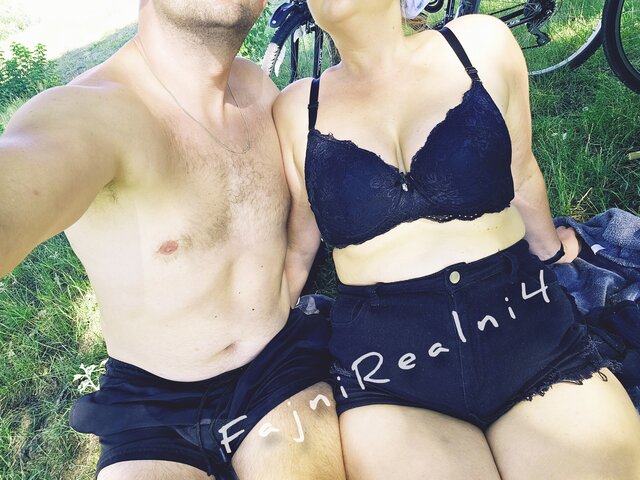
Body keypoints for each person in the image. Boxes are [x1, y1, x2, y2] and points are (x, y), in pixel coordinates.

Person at [273, 1, 640, 478]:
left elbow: (522, 171)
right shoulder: (296, 109)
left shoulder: (479, 45)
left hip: (529, 333)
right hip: (391, 371)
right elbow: (299, 249)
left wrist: (552, 248)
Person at [0, 1, 346, 479]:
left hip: (279, 367)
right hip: (151, 404)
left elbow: (298, 220)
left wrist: (291, 278)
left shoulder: (260, 90)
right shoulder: (89, 113)